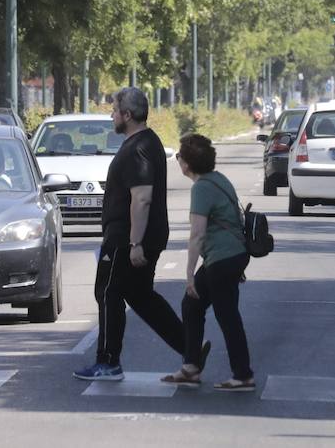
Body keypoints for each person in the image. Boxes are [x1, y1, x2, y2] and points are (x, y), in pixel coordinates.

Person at [75, 87, 199, 382]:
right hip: (133, 236)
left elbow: (141, 198)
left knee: (107, 292)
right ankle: (190, 350)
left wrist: (135, 243)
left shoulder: (139, 147)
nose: (112, 115)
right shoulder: (146, 142)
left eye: (115, 110)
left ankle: (108, 362)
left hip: (126, 238)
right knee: (140, 296)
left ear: (128, 115)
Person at [161, 133, 255, 392]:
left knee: (227, 317)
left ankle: (243, 374)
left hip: (222, 260)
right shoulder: (218, 180)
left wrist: (189, 273)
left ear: (187, 164)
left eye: (180, 156)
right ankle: (190, 366)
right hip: (230, 257)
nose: (179, 160)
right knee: (192, 305)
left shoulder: (201, 188)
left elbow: (198, 233)